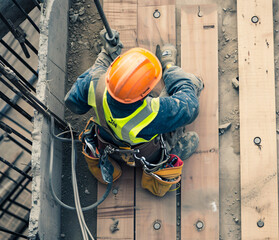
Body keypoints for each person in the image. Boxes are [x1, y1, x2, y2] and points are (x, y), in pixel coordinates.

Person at [64, 29, 203, 187]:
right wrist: (171, 70)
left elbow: (73, 103)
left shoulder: (94, 82)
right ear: (143, 94)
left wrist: (105, 54)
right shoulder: (150, 115)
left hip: (108, 147)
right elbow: (190, 106)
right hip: (145, 157)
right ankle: (170, 152)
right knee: (191, 82)